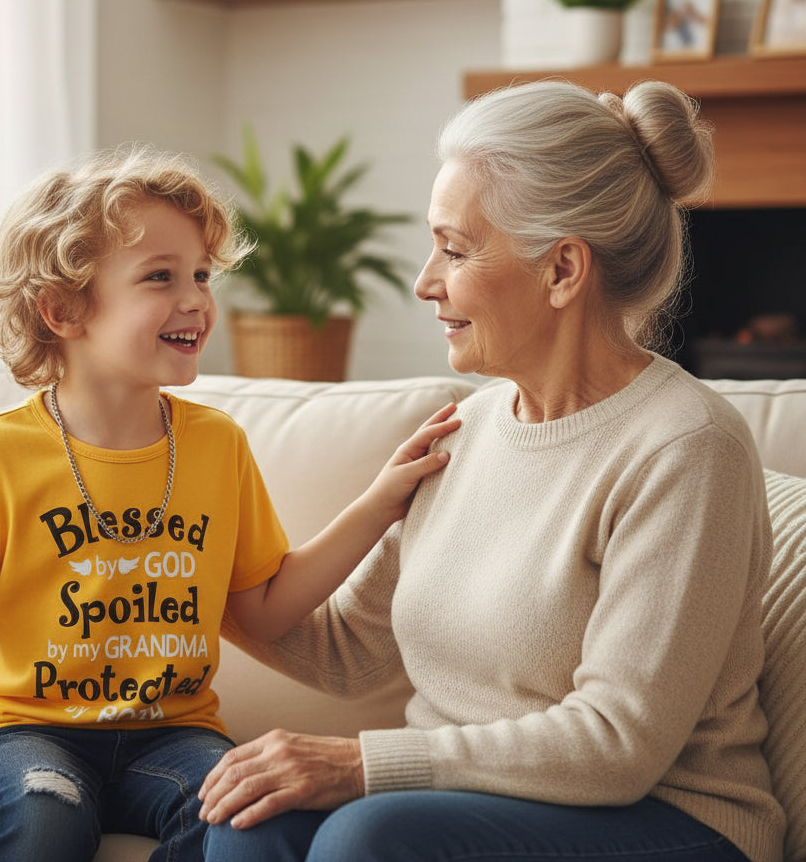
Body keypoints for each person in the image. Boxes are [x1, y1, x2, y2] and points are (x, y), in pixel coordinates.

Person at [0, 145, 459, 862]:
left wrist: (380, 502)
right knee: (49, 822)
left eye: (202, 275)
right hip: (19, 733)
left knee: (252, 817)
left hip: (172, 733)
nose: (197, 299)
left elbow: (264, 606)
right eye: (160, 277)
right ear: (63, 308)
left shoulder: (217, 445)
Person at [197, 80, 785, 862]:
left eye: (455, 248)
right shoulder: (468, 430)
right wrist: (178, 564)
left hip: (670, 819)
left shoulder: (685, 448)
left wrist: (364, 764)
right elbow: (343, 648)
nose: (424, 281)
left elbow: (619, 743)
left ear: (563, 270)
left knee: (366, 837)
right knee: (248, 819)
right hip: (463, 808)